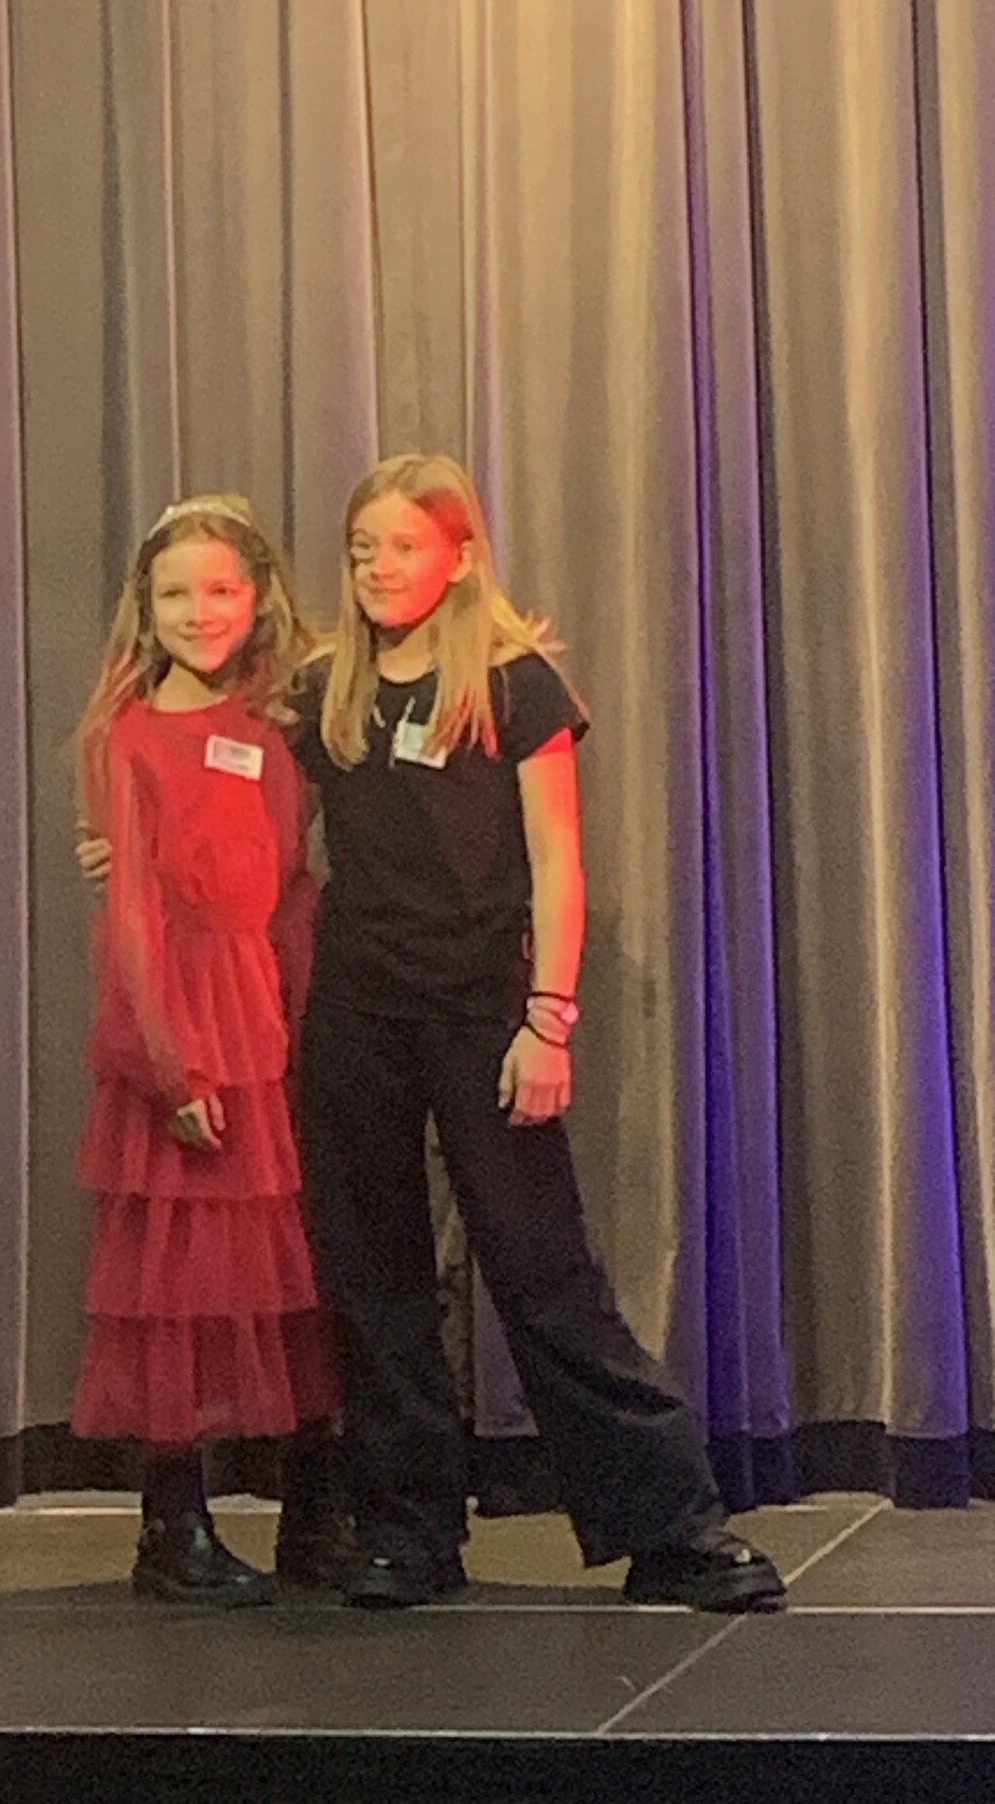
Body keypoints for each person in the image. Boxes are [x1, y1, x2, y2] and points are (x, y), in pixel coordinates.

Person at [288, 452, 785, 1611]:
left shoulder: (513, 685)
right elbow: (247, 824)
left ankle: (670, 1531)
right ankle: (408, 1532)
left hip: (482, 1013)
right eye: (361, 549)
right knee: (374, 1280)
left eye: (401, 546)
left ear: (457, 556)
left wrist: (545, 1020)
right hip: (355, 1014)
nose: (376, 568)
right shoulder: (324, 690)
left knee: (541, 1270)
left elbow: (558, 862)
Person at [71, 492, 339, 1607]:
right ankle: (171, 1527)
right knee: (179, 1284)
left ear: (257, 596)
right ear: (145, 607)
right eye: (176, 593)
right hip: (181, 1028)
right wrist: (169, 1064)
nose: (200, 611)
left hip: (270, 1021)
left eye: (221, 589)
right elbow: (132, 918)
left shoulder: (279, 728)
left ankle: (315, 1517)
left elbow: (289, 880)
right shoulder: (127, 737)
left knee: (294, 1272)